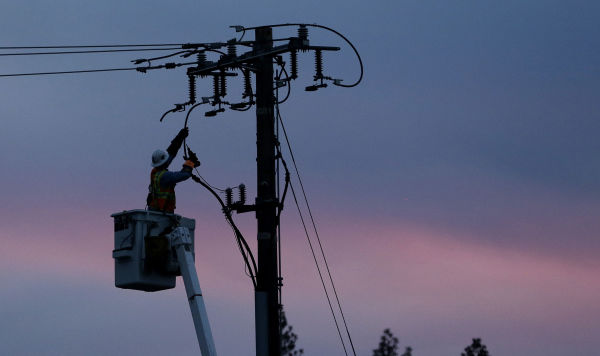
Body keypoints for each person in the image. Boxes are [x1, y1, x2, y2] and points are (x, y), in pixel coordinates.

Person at [147, 128, 197, 213]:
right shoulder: (165, 176)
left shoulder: (154, 172)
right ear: (163, 162)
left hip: (154, 210)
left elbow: (171, 153)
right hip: (162, 213)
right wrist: (190, 162)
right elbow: (185, 174)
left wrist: (179, 137)